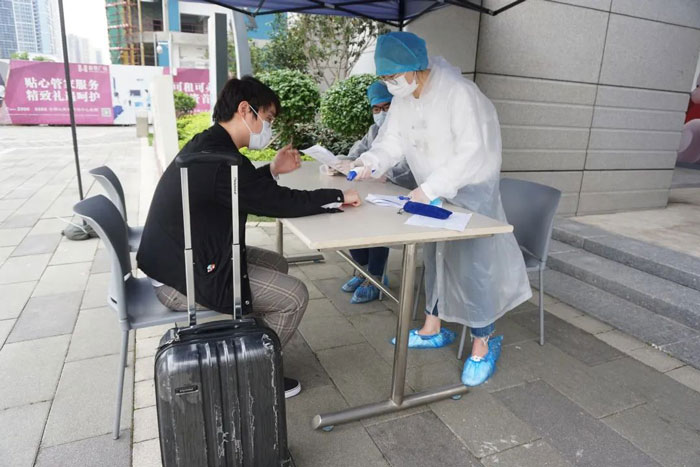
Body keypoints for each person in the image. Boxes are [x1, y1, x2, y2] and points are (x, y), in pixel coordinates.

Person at [137, 76, 361, 398]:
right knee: (294, 296)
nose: (268, 128)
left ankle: (247, 344)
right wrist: (338, 195)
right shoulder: (220, 159)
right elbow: (275, 202)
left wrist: (272, 169)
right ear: (245, 110)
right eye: (267, 119)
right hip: (181, 279)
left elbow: (242, 188)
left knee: (277, 263)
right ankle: (249, 376)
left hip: (183, 259)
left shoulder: (211, 145)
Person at [344, 32, 531, 387]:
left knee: (473, 264)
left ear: (415, 66)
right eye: (384, 78)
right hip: (433, 189)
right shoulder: (404, 99)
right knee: (434, 254)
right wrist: (368, 162)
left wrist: (429, 188)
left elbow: (472, 152)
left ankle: (483, 341)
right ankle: (433, 327)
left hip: (471, 189)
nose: (390, 83)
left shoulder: (458, 93)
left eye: (392, 76)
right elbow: (391, 142)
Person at [334, 81, 417, 304]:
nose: (381, 113)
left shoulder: (409, 131)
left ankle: (376, 277)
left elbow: (410, 168)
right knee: (350, 215)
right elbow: (356, 155)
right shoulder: (373, 131)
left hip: (403, 195)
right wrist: (340, 164)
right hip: (374, 191)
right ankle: (363, 271)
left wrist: (385, 174)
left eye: (387, 107)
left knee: (377, 224)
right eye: (376, 109)